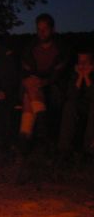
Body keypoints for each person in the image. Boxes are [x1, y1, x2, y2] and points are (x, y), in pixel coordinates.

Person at [19, 14, 69, 145]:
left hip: (54, 86)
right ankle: (41, 128)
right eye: (39, 29)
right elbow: (25, 69)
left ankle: (25, 134)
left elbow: (60, 73)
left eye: (45, 29)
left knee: (28, 94)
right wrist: (28, 80)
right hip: (34, 83)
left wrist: (44, 82)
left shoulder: (61, 49)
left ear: (52, 29)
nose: (41, 32)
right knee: (30, 86)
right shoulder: (30, 48)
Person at [58, 50, 94, 156]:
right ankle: (64, 148)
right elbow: (71, 95)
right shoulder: (74, 74)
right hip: (82, 104)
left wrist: (87, 77)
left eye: (85, 62)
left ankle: (89, 148)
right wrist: (79, 77)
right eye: (80, 61)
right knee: (69, 105)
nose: (82, 65)